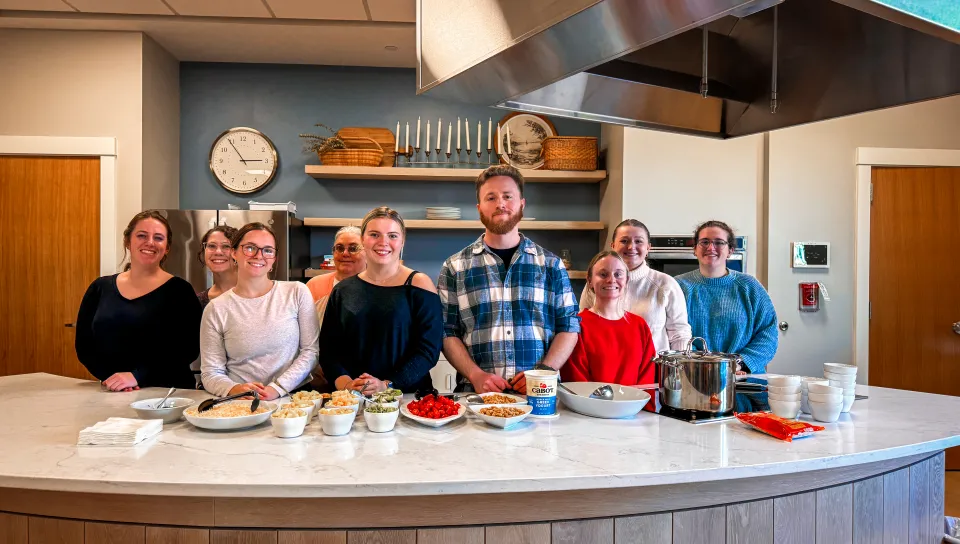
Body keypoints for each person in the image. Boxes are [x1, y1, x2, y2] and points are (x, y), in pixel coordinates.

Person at [437, 165, 580, 394]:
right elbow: (446, 331)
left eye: (507, 196)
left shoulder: (551, 265)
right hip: (476, 395)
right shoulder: (455, 267)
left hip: (540, 395)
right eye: (490, 197)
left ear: (521, 204)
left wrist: (544, 371)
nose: (500, 204)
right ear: (479, 208)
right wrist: (475, 375)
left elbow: (569, 325)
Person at [318, 207, 443, 394]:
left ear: (402, 242)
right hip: (355, 400)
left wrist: (387, 385)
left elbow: (428, 351)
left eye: (392, 236)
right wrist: (346, 385)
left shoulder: (419, 285)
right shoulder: (342, 291)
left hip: (409, 400)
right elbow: (329, 351)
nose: (383, 242)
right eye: (374, 234)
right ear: (362, 240)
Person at [75, 210, 200, 391]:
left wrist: (137, 376)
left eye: (158, 238)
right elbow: (84, 346)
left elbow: (188, 348)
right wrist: (114, 380)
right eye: (142, 235)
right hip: (114, 394)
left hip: (167, 396)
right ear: (128, 241)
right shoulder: (99, 288)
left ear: (167, 248)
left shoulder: (180, 291)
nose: (150, 242)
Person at [200, 222, 319, 399]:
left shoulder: (296, 292)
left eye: (268, 250)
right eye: (250, 248)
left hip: (294, 401)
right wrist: (234, 389)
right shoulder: (216, 308)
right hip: (241, 403)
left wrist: (276, 388)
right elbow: (211, 372)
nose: (258, 256)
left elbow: (311, 351)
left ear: (274, 259)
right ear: (234, 253)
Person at [676, 220, 778, 374]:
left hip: (742, 379)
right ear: (695, 249)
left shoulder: (749, 286)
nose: (711, 248)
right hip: (693, 377)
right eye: (704, 242)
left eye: (719, 242)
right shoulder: (678, 287)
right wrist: (703, 365)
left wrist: (740, 363)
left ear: (730, 250)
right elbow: (673, 334)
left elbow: (768, 333)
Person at [579, 219, 691, 354]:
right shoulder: (598, 284)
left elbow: (680, 334)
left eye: (638, 241)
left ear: (648, 247)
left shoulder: (666, 284)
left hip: (654, 369)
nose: (631, 247)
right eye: (624, 241)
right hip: (606, 367)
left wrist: (676, 371)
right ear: (613, 246)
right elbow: (584, 326)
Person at [563, 251, 656, 386]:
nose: (611, 280)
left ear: (626, 280)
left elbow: (647, 380)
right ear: (590, 281)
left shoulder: (640, 325)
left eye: (618, 274)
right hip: (590, 406)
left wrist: (640, 407)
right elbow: (576, 382)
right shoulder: (577, 325)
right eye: (603, 274)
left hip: (634, 406)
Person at [306, 225, 366, 324]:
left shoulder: (377, 288)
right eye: (339, 248)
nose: (345, 253)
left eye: (353, 248)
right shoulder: (314, 286)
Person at [196, 225, 238, 310]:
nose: (218, 252)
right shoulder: (197, 302)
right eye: (212, 246)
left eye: (226, 246)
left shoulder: (256, 296)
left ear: (237, 253)